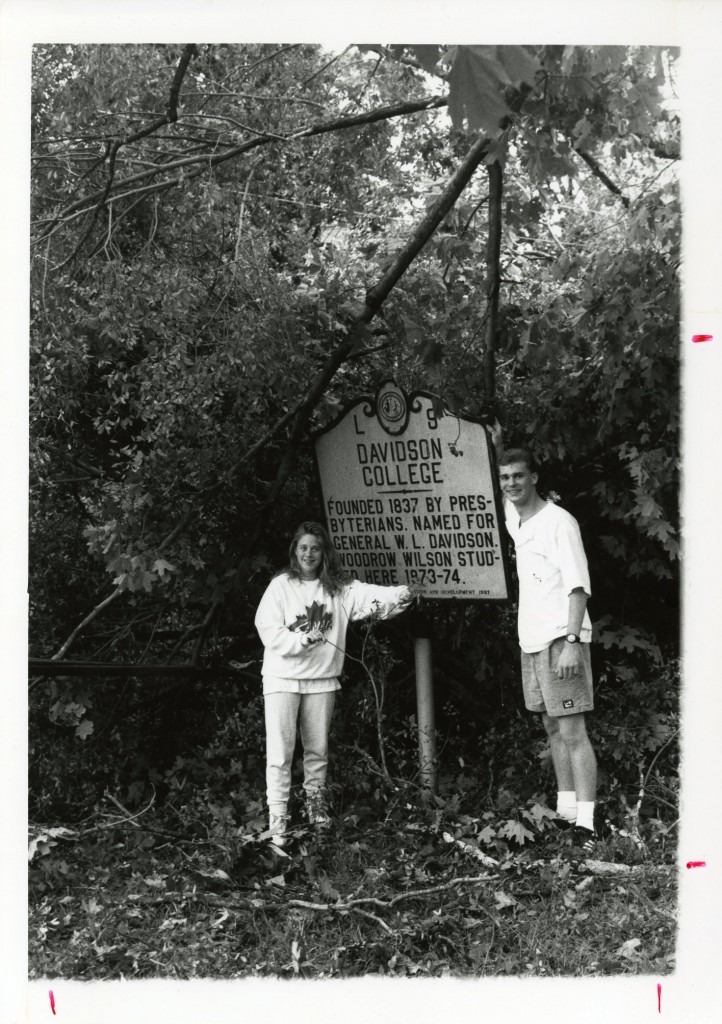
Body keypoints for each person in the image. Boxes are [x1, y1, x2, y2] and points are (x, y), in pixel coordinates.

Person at [254, 520, 414, 846]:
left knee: (317, 753)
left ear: (324, 551)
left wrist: (401, 594)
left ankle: (317, 819)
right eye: (303, 548)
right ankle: (279, 827)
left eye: (315, 548)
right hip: (282, 679)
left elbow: (370, 595)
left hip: (322, 680)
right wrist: (299, 641)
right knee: (280, 755)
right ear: (294, 551)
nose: (309, 554)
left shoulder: (337, 588)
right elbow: (267, 628)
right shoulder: (281, 586)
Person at [492, 433, 599, 854]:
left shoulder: (559, 522)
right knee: (551, 726)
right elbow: (506, 502)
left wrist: (573, 641)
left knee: (573, 730)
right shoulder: (515, 518)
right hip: (532, 639)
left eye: (519, 476)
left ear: (535, 478)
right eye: (505, 478)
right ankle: (566, 812)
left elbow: (579, 587)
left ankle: (589, 825)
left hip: (561, 636)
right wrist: (494, 441)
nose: (511, 484)